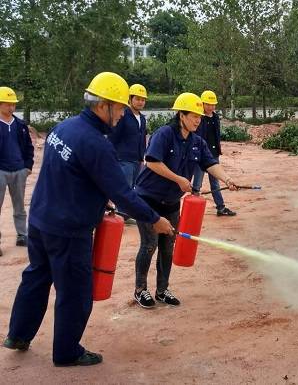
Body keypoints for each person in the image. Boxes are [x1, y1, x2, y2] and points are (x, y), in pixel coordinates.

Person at [2, 72, 173, 367]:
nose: (122, 114)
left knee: (36, 277)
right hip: (69, 230)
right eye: (119, 107)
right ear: (103, 105)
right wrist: (154, 218)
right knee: (76, 292)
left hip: (41, 221)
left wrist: (97, 198)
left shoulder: (64, 128)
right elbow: (123, 194)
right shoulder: (96, 143)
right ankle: (67, 352)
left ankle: (18, 335)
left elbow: (72, 174)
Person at [133, 92, 238, 309]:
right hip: (148, 199)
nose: (198, 120)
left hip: (171, 202)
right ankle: (140, 290)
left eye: (199, 117)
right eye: (194, 116)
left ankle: (162, 290)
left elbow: (210, 163)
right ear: (181, 115)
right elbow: (152, 162)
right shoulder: (164, 134)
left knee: (168, 247)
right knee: (150, 244)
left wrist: (227, 178)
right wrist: (179, 179)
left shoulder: (197, 142)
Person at [0, 86, 33, 256]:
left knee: (19, 206)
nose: (12, 107)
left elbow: (29, 146)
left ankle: (22, 235)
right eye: (7, 104)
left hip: (19, 170)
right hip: (1, 171)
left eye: (13, 104)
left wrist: (28, 166)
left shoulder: (20, 125)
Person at [192, 90, 236, 216]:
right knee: (197, 184)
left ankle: (220, 207)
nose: (211, 107)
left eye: (213, 104)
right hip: (201, 155)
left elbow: (216, 135)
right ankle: (193, 209)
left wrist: (217, 150)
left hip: (213, 154)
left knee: (215, 182)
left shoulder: (216, 117)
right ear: (202, 104)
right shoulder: (198, 118)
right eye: (208, 104)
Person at [108, 83, 148, 223]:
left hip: (137, 159)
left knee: (133, 188)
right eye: (137, 99)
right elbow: (114, 136)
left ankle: (127, 214)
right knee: (124, 187)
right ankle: (122, 215)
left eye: (143, 99)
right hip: (124, 158)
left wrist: (143, 156)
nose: (140, 102)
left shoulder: (142, 118)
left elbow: (142, 137)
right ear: (130, 99)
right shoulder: (124, 115)